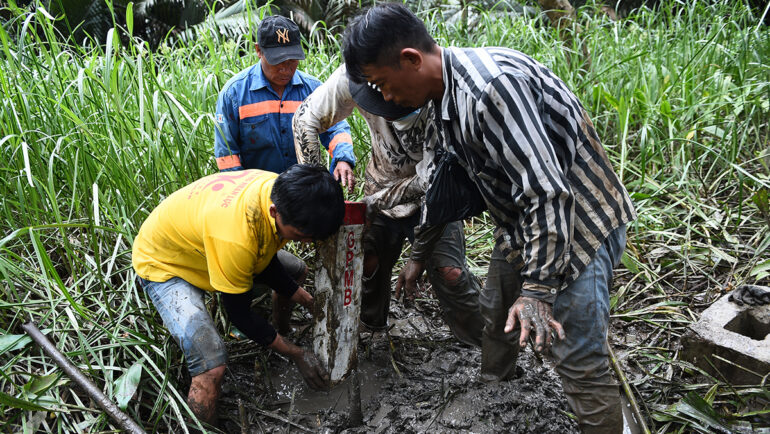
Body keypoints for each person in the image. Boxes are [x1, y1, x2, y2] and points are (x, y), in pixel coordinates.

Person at [342, 4, 637, 433]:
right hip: (521, 225)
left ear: (411, 58)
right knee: (496, 308)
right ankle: (495, 390)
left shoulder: (490, 89)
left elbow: (547, 191)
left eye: (383, 84)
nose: (385, 99)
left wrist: (537, 291)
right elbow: (447, 188)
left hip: (577, 224)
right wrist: (420, 253)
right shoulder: (441, 100)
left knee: (575, 355)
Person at [132, 165, 345, 425]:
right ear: (274, 212)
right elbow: (240, 315)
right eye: (301, 236)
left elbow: (264, 256)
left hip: (207, 243)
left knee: (296, 271)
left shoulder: (275, 188)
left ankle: (281, 332)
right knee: (212, 364)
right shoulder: (237, 237)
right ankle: (200, 428)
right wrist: (297, 354)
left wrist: (300, 295)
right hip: (166, 265)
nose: (306, 243)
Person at [293, 65, 483, 345]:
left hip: (438, 191)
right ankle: (372, 329)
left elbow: (431, 181)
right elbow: (304, 121)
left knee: (450, 272)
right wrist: (317, 197)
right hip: (381, 179)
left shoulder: (445, 94)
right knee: (370, 261)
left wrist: (416, 258)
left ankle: (479, 343)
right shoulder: (355, 74)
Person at [213, 15, 356, 335]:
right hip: (256, 203)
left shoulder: (312, 89)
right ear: (258, 52)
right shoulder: (236, 93)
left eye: (293, 59)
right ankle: (247, 318)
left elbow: (336, 128)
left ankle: (283, 324)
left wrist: (343, 158)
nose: (286, 67)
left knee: (302, 264)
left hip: (302, 197)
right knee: (261, 262)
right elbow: (228, 158)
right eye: (278, 61)